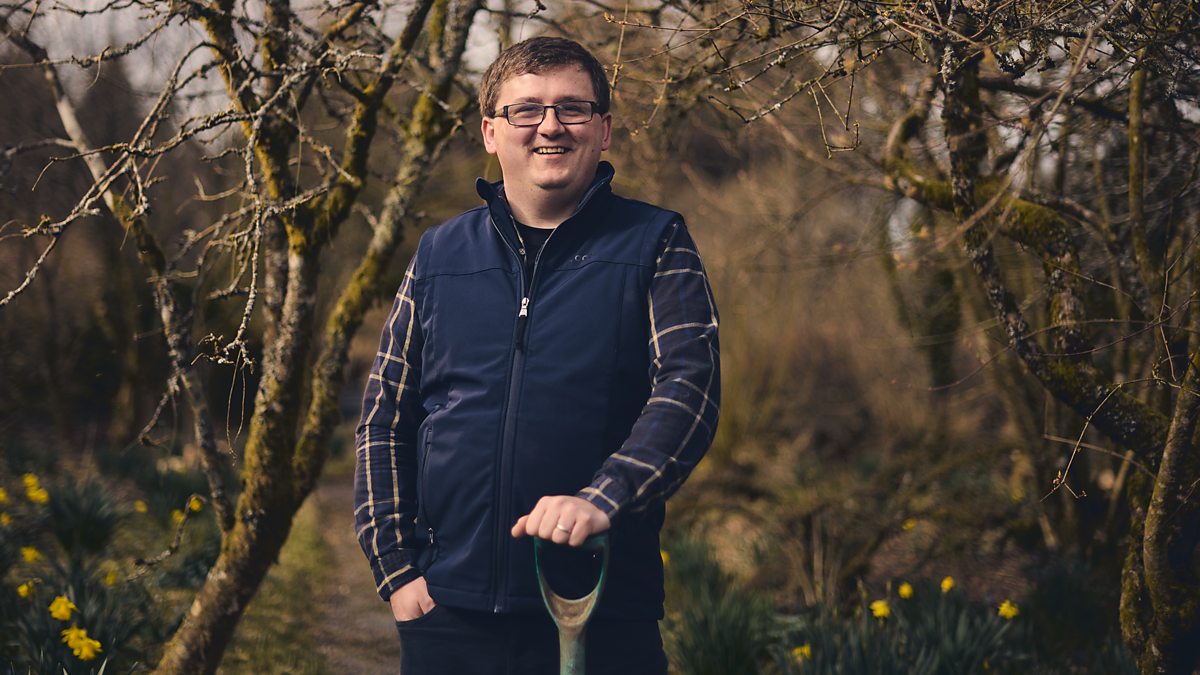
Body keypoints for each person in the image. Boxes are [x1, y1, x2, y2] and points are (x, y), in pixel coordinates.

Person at [354, 35, 720, 675]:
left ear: (603, 129)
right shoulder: (439, 254)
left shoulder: (656, 243)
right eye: (526, 109)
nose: (550, 126)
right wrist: (397, 572)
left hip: (600, 611)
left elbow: (688, 390)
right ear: (491, 132)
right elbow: (385, 417)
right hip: (448, 616)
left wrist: (603, 497)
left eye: (572, 108)